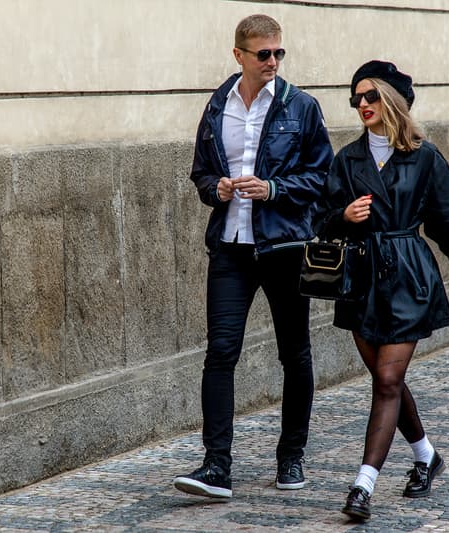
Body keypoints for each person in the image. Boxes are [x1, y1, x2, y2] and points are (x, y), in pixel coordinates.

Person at [312, 60, 449, 520]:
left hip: (408, 274)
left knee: (388, 380)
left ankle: (362, 486)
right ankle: (426, 456)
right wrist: (341, 218)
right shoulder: (347, 159)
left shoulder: (423, 156)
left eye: (371, 96)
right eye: (356, 98)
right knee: (386, 380)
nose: (363, 105)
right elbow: (317, 217)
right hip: (362, 279)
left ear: (392, 100)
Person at [172, 14, 333, 499]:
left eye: (279, 53)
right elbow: (200, 172)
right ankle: (216, 466)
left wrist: (274, 188)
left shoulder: (299, 106)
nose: (273, 62)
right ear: (238, 55)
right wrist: (215, 188)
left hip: (283, 247)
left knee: (294, 353)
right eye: (263, 54)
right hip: (230, 247)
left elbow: (321, 177)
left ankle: (291, 456)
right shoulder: (218, 105)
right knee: (221, 353)